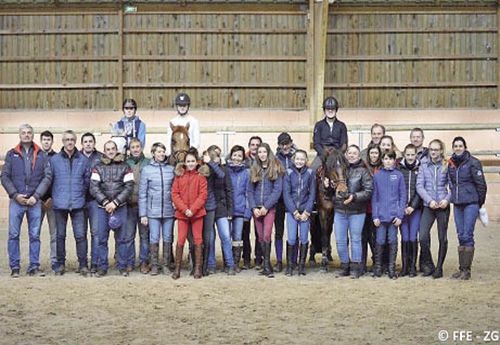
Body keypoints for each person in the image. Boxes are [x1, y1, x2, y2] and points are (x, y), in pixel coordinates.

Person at [1, 124, 51, 277]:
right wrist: (15, 195)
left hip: (34, 202)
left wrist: (36, 196)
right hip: (17, 201)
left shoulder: (42, 155)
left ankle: (34, 267)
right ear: (19, 135)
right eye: (24, 133)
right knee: (13, 235)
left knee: (35, 235)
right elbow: (4, 177)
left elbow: (47, 177)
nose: (26, 135)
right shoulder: (11, 154)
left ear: (33, 135)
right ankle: (15, 267)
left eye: (29, 132)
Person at [47, 130, 91, 276]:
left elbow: (87, 181)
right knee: (60, 236)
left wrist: (79, 193)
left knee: (80, 236)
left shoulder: (84, 160)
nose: (70, 142)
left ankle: (83, 264)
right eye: (67, 139)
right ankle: (60, 264)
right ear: (63, 141)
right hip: (60, 204)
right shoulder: (54, 160)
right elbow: (50, 180)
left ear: (75, 141)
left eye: (72, 139)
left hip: (78, 204)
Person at [90, 140, 134, 277]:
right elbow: (94, 187)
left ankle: (122, 266)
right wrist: (105, 202)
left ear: (116, 150)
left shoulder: (125, 167)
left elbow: (129, 187)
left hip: (120, 207)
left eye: (113, 149)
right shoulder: (97, 167)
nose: (110, 151)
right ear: (104, 151)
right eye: (107, 149)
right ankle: (102, 267)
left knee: (122, 239)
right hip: (102, 208)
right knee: (102, 239)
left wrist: (115, 203)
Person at [329, 145, 373, 278]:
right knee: (340, 240)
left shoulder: (363, 172)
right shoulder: (339, 170)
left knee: (355, 239)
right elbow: (332, 193)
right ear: (346, 155)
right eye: (350, 153)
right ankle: (344, 265)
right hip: (340, 210)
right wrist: (329, 187)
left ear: (359, 156)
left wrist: (354, 196)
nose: (352, 155)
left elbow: (368, 191)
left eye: (355, 153)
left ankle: (356, 267)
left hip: (357, 211)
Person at [447, 136, 487, 280]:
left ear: (465, 147)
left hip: (471, 203)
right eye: (455, 146)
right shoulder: (451, 164)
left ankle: (466, 270)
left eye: (460, 146)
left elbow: (481, 185)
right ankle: (462, 268)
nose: (458, 148)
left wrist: (478, 203)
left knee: (467, 235)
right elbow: (451, 183)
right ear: (453, 148)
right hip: (458, 204)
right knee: (460, 234)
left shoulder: (473, 163)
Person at [247, 143, 284, 278]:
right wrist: (253, 207)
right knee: (261, 236)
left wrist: (266, 207)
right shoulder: (254, 169)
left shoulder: (275, 169)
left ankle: (268, 264)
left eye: (264, 152)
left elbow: (277, 190)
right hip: (256, 208)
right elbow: (250, 190)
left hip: (269, 208)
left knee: (267, 235)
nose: (262, 154)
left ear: (268, 153)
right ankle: (265, 264)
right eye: (260, 152)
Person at [138, 142, 176, 276]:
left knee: (168, 237)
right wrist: (143, 214)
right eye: (159, 151)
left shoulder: (171, 170)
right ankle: (154, 265)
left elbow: (175, 190)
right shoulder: (146, 170)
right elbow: (142, 194)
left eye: (163, 151)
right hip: (152, 211)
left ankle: (165, 265)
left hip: (168, 211)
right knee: (153, 238)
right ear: (153, 153)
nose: (161, 154)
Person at [171, 149, 209, 279]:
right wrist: (184, 209)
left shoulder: (201, 177)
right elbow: (175, 194)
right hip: (182, 213)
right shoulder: (179, 176)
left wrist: (192, 209)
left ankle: (198, 268)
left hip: (197, 213)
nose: (191, 163)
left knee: (198, 239)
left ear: (197, 162)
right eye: (188, 161)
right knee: (181, 239)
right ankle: (177, 269)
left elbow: (203, 195)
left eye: (193, 161)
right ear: (184, 162)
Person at [416, 139, 451, 279]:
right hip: (429, 206)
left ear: (441, 150)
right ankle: (429, 264)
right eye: (431, 149)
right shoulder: (424, 164)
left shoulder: (447, 165)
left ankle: (439, 267)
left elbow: (453, 186)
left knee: (442, 237)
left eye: (436, 149)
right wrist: (429, 200)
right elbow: (420, 186)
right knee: (423, 236)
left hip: (443, 206)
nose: (433, 152)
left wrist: (446, 200)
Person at [371, 150, 406, 279]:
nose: (388, 161)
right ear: (382, 160)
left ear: (394, 161)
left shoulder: (399, 176)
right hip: (380, 217)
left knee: (392, 240)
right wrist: (375, 216)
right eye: (385, 159)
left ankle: (391, 269)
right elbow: (374, 198)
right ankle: (378, 268)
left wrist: (400, 215)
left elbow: (402, 197)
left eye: (390, 159)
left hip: (393, 217)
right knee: (379, 240)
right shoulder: (377, 176)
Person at [282, 149, 315, 276]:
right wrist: (294, 211)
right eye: (297, 159)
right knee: (291, 238)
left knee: (304, 238)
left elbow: (312, 193)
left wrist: (307, 211)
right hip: (292, 212)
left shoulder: (310, 173)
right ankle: (290, 265)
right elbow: (286, 193)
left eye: (302, 159)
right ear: (293, 160)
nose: (300, 161)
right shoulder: (289, 173)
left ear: (306, 160)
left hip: (305, 211)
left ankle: (301, 266)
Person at [206, 145, 236, 276]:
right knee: (210, 238)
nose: (215, 160)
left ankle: (230, 264)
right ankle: (211, 264)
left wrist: (230, 210)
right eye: (212, 157)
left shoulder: (224, 170)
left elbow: (229, 190)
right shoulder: (205, 171)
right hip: (208, 208)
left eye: (217, 157)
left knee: (225, 236)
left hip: (222, 207)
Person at [397, 144, 423, 277]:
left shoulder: (421, 168)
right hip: (402, 209)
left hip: (415, 209)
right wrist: (402, 207)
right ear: (404, 155)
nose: (410, 157)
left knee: (413, 237)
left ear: (416, 155)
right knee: (405, 237)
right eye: (408, 154)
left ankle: (413, 266)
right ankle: (405, 266)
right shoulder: (399, 168)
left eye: (413, 155)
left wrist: (412, 206)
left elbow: (420, 189)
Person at [125, 138, 150, 274]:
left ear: (141, 148)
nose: (135, 149)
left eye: (137, 147)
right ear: (130, 149)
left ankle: (144, 262)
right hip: (129, 206)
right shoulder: (125, 163)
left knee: (144, 236)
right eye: (133, 147)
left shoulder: (148, 163)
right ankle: (129, 262)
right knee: (129, 236)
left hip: (144, 207)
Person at [80, 132, 103, 273]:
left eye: (90, 141)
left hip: (95, 201)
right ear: (82, 144)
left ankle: (95, 262)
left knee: (96, 233)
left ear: (94, 143)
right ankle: (83, 263)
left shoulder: (101, 157)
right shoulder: (76, 157)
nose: (88, 144)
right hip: (80, 201)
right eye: (85, 141)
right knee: (81, 234)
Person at [202, 146, 227, 276]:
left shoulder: (216, 169)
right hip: (201, 206)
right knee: (208, 238)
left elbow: (221, 175)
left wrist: (211, 163)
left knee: (217, 236)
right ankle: (207, 264)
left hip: (212, 205)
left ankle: (225, 263)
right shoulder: (202, 168)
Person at [226, 145, 251, 272]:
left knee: (237, 236)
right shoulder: (225, 171)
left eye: (239, 156)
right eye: (234, 155)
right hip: (227, 210)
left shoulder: (247, 173)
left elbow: (248, 192)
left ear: (243, 158)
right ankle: (228, 261)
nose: (236, 158)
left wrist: (247, 212)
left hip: (240, 210)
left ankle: (235, 262)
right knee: (226, 236)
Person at [274, 132, 297, 272]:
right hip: (279, 200)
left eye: (287, 143)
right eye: (282, 144)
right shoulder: (275, 159)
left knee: (293, 232)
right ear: (279, 145)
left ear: (291, 143)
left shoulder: (297, 157)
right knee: (279, 231)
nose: (285, 146)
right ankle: (278, 260)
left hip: (294, 200)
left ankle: (293, 260)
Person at [311, 96, 348, 171]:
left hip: (337, 154)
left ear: (336, 110)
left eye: (332, 109)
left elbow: (344, 143)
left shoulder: (342, 125)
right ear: (324, 110)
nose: (330, 111)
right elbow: (316, 143)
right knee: (312, 170)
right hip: (323, 154)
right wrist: (323, 153)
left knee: (347, 170)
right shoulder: (319, 125)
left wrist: (338, 154)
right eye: (328, 109)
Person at [39, 130, 58, 272]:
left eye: (48, 140)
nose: (46, 142)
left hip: (52, 201)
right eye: (44, 139)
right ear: (41, 141)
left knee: (54, 234)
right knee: (35, 233)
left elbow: (58, 180)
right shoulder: (36, 156)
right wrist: (38, 197)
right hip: (37, 201)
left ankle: (54, 261)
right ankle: (35, 263)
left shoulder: (57, 158)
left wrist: (51, 197)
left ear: (52, 141)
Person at [360, 142, 381, 274]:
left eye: (376, 153)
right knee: (363, 236)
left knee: (375, 238)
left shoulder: (382, 168)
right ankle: (361, 264)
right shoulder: (363, 167)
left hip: (377, 209)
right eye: (372, 153)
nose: (374, 155)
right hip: (363, 206)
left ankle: (376, 263)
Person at [243, 136, 262, 270]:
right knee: (245, 231)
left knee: (258, 232)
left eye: (257, 145)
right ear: (249, 146)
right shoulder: (243, 160)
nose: (255, 147)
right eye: (253, 144)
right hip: (244, 201)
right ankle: (246, 258)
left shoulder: (264, 161)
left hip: (258, 200)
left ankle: (259, 258)